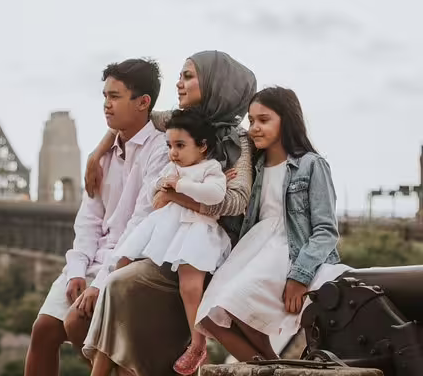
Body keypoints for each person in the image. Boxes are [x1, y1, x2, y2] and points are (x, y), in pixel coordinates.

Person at [80, 50, 257, 376]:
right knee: (118, 282)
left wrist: (179, 195)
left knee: (119, 285)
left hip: (201, 248)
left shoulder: (238, 141)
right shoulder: (178, 121)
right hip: (170, 237)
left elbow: (236, 201)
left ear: (217, 84)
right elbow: (137, 118)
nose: (179, 83)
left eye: (189, 76)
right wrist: (98, 152)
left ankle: (107, 366)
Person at [24, 58, 169, 376]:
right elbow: (88, 221)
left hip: (131, 263)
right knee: (44, 331)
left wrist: (100, 282)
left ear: (143, 102)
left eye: (115, 97)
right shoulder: (101, 156)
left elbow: (141, 225)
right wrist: (77, 270)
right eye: (105, 96)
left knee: (81, 329)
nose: (106, 105)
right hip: (92, 261)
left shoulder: (160, 152)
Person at [195, 86, 351, 362]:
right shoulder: (255, 167)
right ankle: (274, 366)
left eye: (263, 120)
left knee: (236, 303)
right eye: (251, 120)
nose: (254, 127)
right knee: (209, 318)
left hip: (287, 251)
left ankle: (274, 365)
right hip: (252, 248)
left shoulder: (311, 165)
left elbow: (326, 230)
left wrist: (299, 276)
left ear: (287, 120)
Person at [109, 108, 232, 375]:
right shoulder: (172, 167)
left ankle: (197, 344)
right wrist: (164, 186)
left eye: (180, 145)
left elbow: (215, 196)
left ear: (202, 146)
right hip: (168, 229)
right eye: (169, 145)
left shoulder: (210, 168)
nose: (173, 152)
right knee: (122, 263)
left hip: (197, 233)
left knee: (190, 286)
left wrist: (178, 187)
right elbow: (155, 189)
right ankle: (121, 328)